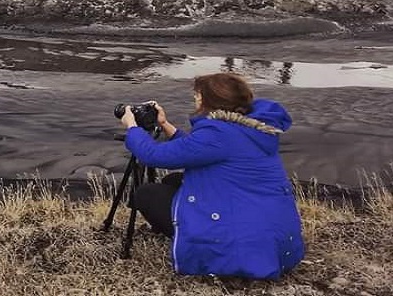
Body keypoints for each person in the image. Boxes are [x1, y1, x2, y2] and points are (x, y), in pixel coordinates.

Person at [118, 72, 305, 280]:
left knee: (147, 194)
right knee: (173, 181)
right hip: (272, 238)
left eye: (198, 95)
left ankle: (202, 244)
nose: (195, 100)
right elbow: (196, 149)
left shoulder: (217, 134)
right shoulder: (247, 127)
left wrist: (132, 127)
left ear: (210, 100)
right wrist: (164, 124)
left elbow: (153, 155)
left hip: (243, 248)